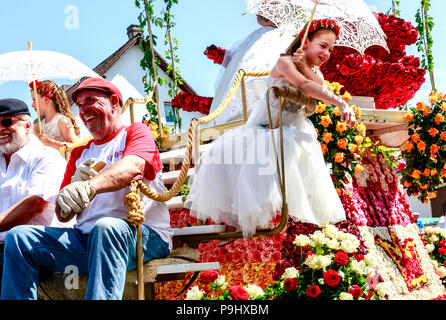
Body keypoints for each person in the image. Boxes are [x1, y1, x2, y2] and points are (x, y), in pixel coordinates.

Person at [1, 77, 172, 300]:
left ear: (113, 102)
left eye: (90, 100)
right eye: (80, 105)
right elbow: (63, 216)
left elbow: (133, 166)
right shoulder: (79, 153)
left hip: (142, 236)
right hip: (87, 240)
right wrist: (68, 195)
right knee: (19, 237)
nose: (83, 110)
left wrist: (88, 187)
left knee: (106, 228)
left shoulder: (135, 132)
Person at [186, 19, 356, 238]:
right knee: (266, 160)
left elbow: (316, 85)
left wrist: (305, 66)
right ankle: (247, 227)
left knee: (295, 151)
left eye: (331, 49)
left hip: (291, 130)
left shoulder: (315, 74)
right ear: (305, 42)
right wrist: (341, 102)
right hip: (265, 130)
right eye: (323, 46)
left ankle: (286, 226)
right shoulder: (284, 62)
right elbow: (304, 85)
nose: (328, 53)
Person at [0, 98, 68, 290]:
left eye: (6, 122)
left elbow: (35, 204)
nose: (0, 129)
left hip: (38, 248)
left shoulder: (46, 157)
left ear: (28, 126)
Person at [208, 14, 294, 125]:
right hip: (262, 36)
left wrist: (275, 22)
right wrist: (268, 21)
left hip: (277, 37)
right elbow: (260, 19)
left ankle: (263, 103)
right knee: (247, 62)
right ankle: (236, 108)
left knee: (267, 63)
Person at [29, 79, 80, 150]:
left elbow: (75, 146)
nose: (32, 105)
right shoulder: (39, 125)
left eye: (34, 100)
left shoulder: (62, 120)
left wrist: (49, 142)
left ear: (46, 99)